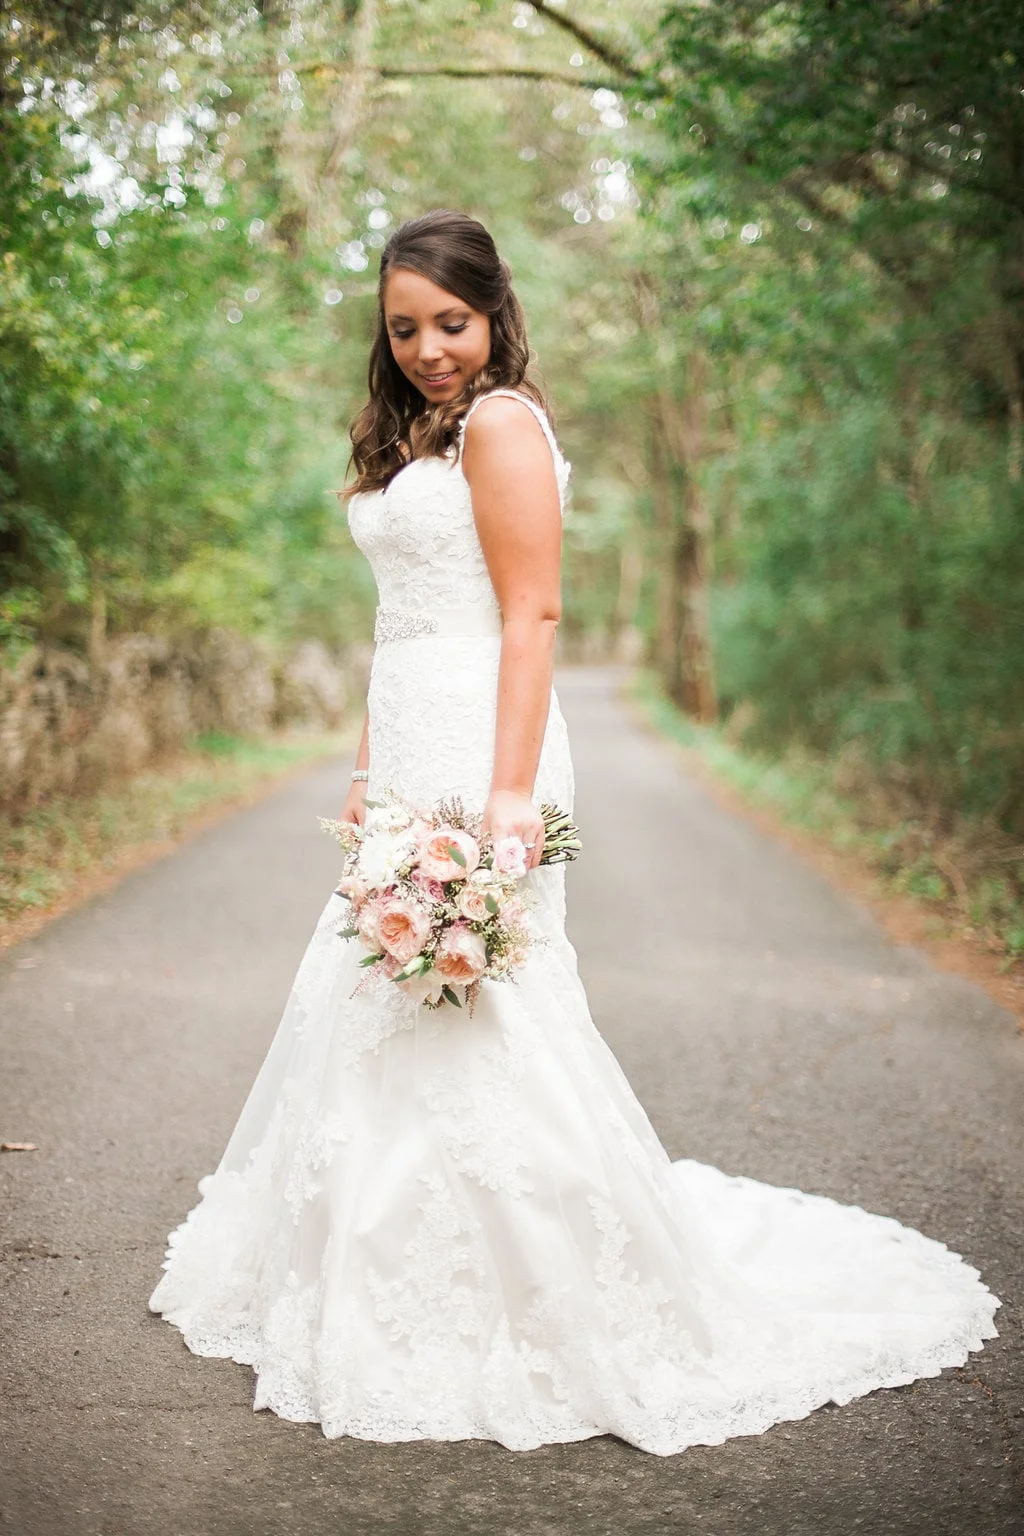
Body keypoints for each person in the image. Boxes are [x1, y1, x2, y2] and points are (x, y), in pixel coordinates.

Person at [149, 208, 1000, 1455]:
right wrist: (367, 767)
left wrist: (503, 797)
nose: (430, 347)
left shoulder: (499, 422)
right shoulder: (409, 434)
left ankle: (534, 1290)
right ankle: (379, 1273)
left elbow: (533, 615)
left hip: (491, 742)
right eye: (404, 328)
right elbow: (404, 622)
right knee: (383, 989)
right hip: (413, 736)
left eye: (450, 321)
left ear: (492, 313)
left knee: (493, 998)